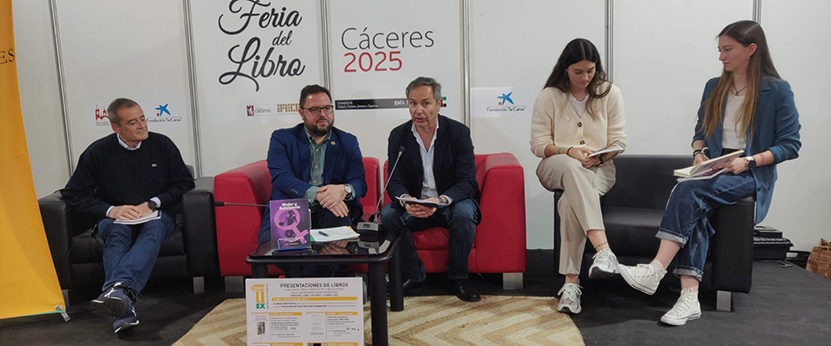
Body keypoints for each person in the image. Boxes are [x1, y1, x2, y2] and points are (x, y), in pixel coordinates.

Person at [617, 20, 801, 326]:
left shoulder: (777, 91)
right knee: (696, 208)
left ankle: (656, 269)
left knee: (688, 191)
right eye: (719, 50)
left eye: (727, 49)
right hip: (716, 169)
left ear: (751, 50)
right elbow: (701, 131)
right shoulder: (713, 87)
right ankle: (689, 299)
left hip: (750, 174)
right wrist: (699, 153)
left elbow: (790, 145)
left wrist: (750, 161)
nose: (721, 57)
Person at [61, 98, 194, 333]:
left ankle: (118, 292)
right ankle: (123, 301)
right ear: (116, 127)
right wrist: (111, 210)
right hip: (115, 216)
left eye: (143, 118)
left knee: (153, 230)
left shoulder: (162, 144)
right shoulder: (98, 152)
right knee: (116, 233)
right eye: (133, 122)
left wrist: (153, 203)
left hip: (156, 214)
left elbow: (184, 182)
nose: (142, 125)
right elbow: (73, 193)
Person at [530, 38, 627, 314]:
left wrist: (601, 156)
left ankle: (571, 284)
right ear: (565, 69)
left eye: (590, 71)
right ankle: (604, 250)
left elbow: (619, 141)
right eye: (578, 72)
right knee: (573, 168)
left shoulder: (611, 94)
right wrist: (569, 150)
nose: (585, 77)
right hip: (555, 165)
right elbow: (538, 145)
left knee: (569, 202)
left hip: (599, 169)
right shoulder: (548, 96)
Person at [379, 77, 482, 302]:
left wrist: (441, 201)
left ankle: (458, 277)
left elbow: (467, 182)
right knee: (388, 214)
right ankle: (414, 276)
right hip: (417, 206)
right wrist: (408, 201)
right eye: (412, 103)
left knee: (465, 212)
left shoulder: (458, 133)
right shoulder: (399, 135)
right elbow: (394, 181)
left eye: (425, 103)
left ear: (438, 103)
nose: (418, 110)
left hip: (449, 205)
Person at [258, 84, 367, 275]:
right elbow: (281, 177)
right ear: (301, 113)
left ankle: (312, 287)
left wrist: (344, 190)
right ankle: (324, 285)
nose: (322, 114)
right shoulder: (282, 138)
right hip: (290, 210)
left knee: (337, 244)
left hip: (331, 211)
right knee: (271, 247)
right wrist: (317, 194)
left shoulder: (348, 141)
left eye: (327, 109)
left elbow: (359, 182)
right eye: (314, 110)